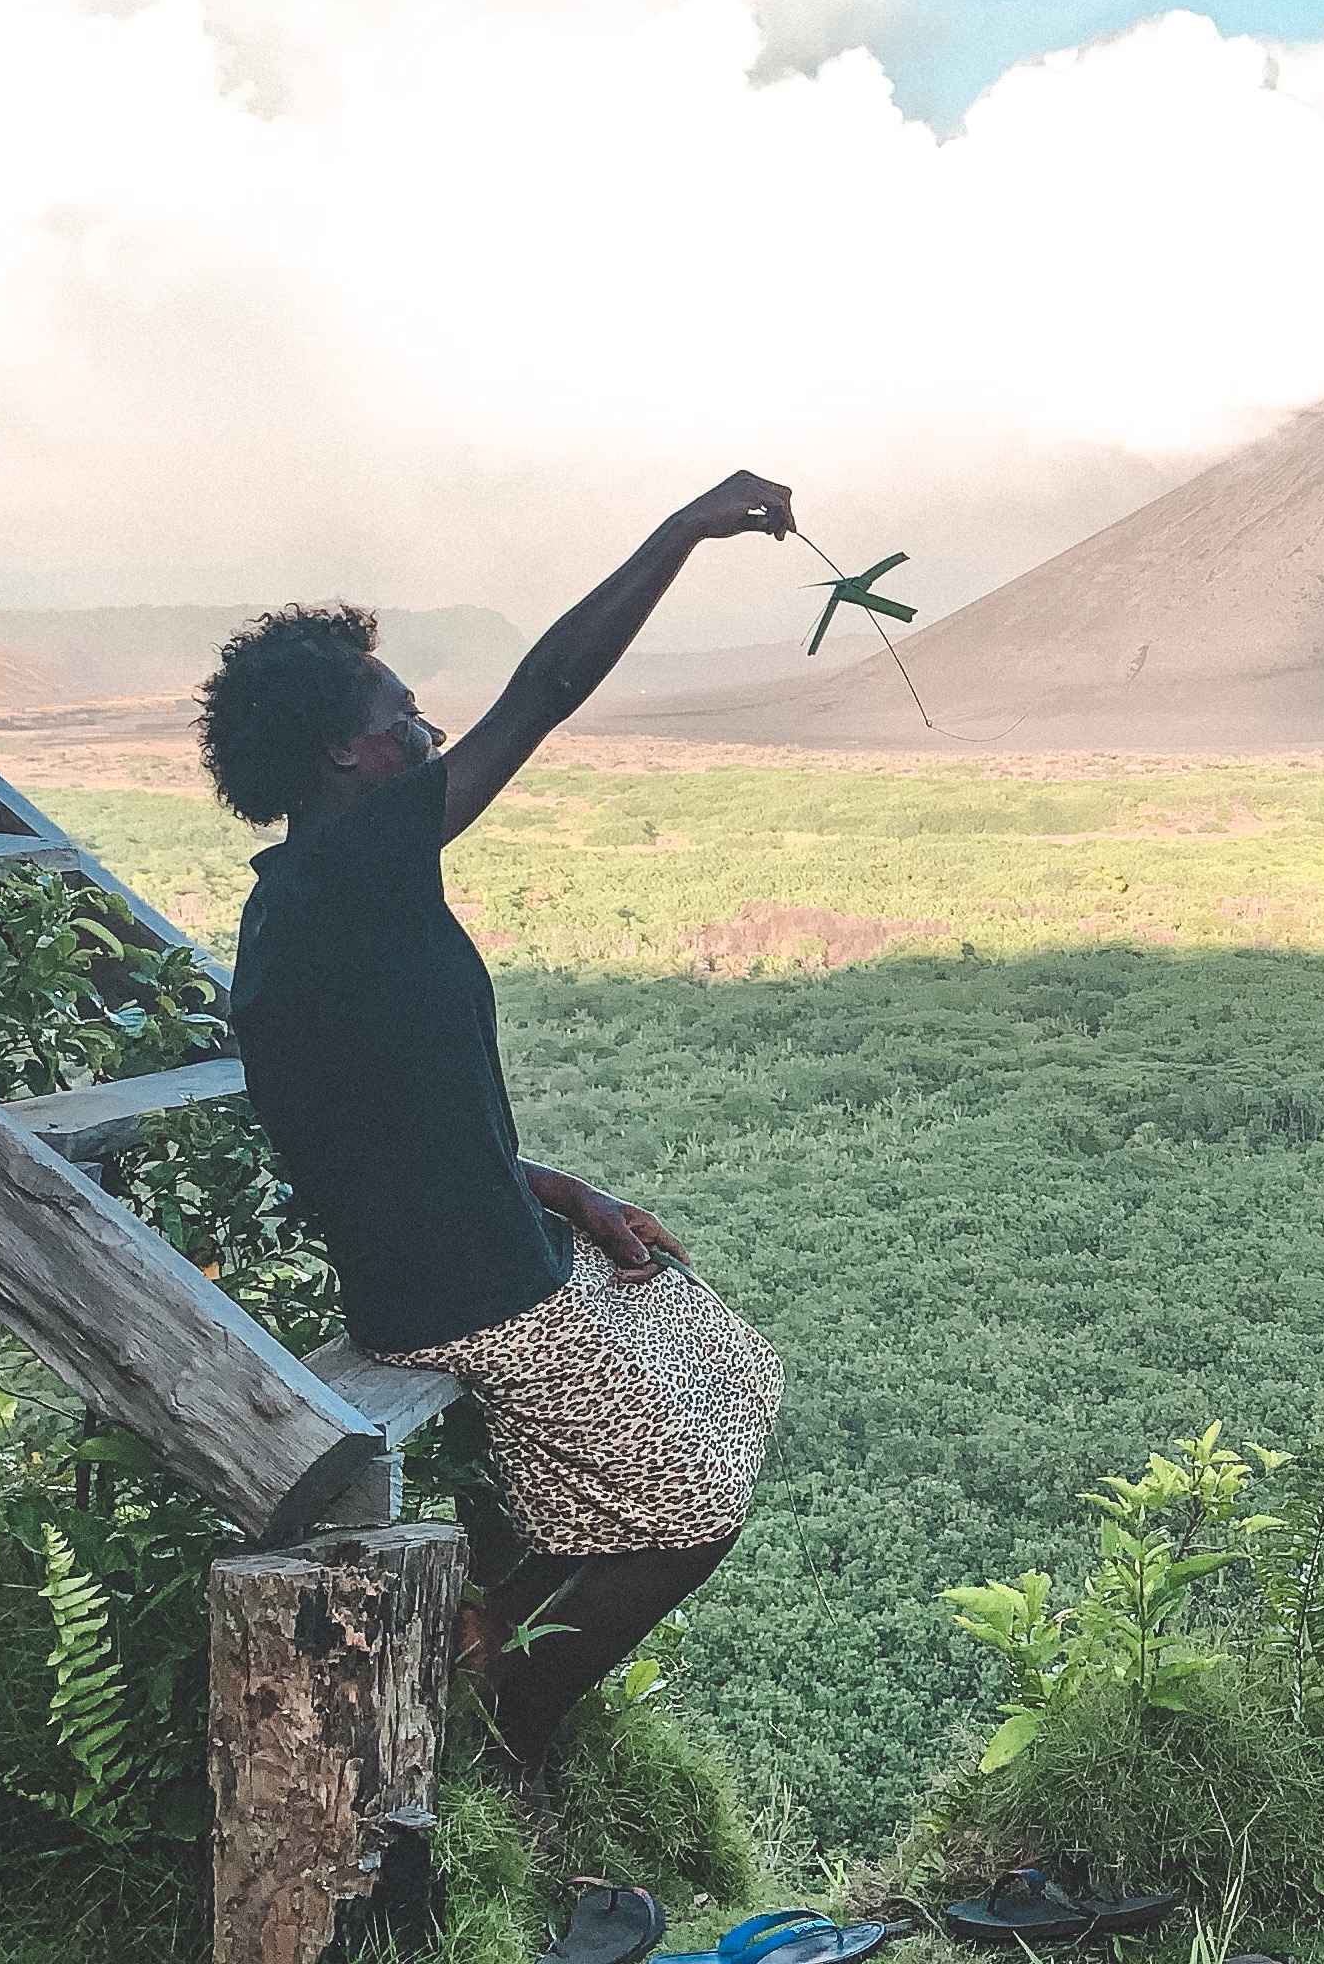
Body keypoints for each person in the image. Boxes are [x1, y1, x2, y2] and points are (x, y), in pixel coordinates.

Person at [197, 472, 796, 1790]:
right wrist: (685, 528)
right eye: (399, 711)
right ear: (347, 757)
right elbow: (551, 688)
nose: (424, 727)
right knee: (690, 1516)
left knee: (733, 1369)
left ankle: (492, 1615)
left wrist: (568, 1195)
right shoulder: (352, 873)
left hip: (493, 1243)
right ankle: (514, 1710)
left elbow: (389, 1117)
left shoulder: (326, 894)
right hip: (463, 1292)